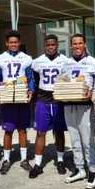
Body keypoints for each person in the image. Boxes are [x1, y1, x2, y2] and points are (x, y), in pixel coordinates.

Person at [0, 30, 34, 174]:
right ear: (6, 43)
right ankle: (6, 159)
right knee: (8, 130)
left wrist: (31, 91)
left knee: (22, 129)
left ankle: (24, 159)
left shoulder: (26, 58)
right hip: (8, 99)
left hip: (21, 98)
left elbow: (30, 77)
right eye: (11, 42)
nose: (13, 44)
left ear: (19, 43)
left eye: (16, 42)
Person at [62, 34, 95, 189]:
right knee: (74, 139)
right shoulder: (66, 63)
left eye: (80, 43)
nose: (77, 46)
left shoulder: (94, 63)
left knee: (87, 140)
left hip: (85, 106)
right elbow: (63, 81)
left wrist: (92, 93)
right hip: (69, 105)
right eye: (74, 44)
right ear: (71, 46)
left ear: (85, 44)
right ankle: (79, 169)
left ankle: (92, 170)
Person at [29, 34, 69, 179]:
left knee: (59, 132)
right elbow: (32, 78)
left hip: (59, 100)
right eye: (48, 45)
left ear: (57, 45)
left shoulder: (65, 60)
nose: (51, 47)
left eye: (53, 44)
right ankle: (38, 164)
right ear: (45, 46)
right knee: (41, 132)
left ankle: (60, 161)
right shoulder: (37, 61)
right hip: (43, 99)